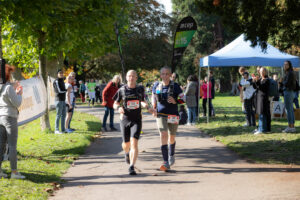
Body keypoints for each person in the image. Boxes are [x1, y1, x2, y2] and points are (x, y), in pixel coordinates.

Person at [113, 70, 155, 175]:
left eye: (133, 76)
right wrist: (118, 108)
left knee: (134, 143)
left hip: (136, 119)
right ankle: (127, 153)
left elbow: (142, 100)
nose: (131, 78)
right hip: (125, 119)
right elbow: (115, 103)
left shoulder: (140, 89)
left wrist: (146, 106)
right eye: (129, 76)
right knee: (126, 144)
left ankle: (131, 166)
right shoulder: (122, 90)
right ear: (126, 78)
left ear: (136, 78)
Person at [152, 66, 182, 171]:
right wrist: (154, 108)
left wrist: (176, 101)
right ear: (160, 75)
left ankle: (171, 154)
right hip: (161, 114)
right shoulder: (156, 85)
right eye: (163, 74)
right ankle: (165, 161)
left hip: (173, 115)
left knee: (171, 137)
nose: (165, 76)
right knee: (163, 134)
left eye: (167, 74)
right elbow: (153, 97)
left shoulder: (176, 86)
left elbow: (183, 98)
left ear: (170, 75)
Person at [0, 64, 25, 179]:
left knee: (1, 145)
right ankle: (14, 172)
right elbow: (17, 103)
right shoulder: (8, 88)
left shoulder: (3, 86)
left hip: (1, 117)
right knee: (12, 145)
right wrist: (19, 94)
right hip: (10, 117)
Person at [279, 61, 297, 133]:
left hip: (288, 92)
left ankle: (291, 127)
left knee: (288, 110)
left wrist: (281, 82)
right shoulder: (289, 73)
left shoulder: (290, 73)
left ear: (289, 65)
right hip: (290, 92)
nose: (285, 66)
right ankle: (291, 126)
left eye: (286, 64)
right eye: (284, 64)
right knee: (290, 110)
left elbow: (287, 83)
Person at [252, 67, 271, 134]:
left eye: (263, 71)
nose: (261, 72)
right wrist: (254, 81)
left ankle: (262, 129)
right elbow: (255, 87)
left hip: (263, 98)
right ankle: (260, 128)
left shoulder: (267, 80)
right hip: (259, 98)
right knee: (260, 113)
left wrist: (257, 81)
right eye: (260, 71)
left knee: (263, 113)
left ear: (265, 72)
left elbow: (262, 87)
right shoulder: (260, 79)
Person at [53, 69, 67, 134]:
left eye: (62, 73)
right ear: (57, 74)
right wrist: (67, 90)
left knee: (64, 115)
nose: (61, 74)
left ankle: (63, 129)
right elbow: (59, 91)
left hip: (63, 100)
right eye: (60, 73)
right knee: (58, 115)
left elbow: (63, 90)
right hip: (58, 100)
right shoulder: (56, 81)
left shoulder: (62, 81)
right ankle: (56, 130)